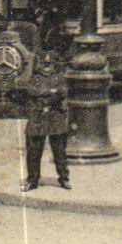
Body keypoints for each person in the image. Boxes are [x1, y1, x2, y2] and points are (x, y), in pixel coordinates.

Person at [22, 51, 71, 191]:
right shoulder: (34, 79)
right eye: (44, 64)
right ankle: (32, 180)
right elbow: (31, 92)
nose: (46, 67)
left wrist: (43, 96)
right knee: (34, 151)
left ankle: (64, 178)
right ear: (39, 65)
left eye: (49, 64)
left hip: (56, 117)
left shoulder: (59, 78)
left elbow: (62, 92)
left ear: (54, 65)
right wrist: (51, 93)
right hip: (37, 117)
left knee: (59, 151)